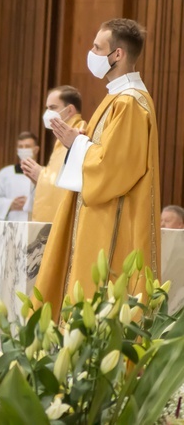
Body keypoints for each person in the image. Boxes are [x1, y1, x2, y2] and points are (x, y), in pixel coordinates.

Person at [34, 18, 161, 315]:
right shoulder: (116, 97)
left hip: (112, 219)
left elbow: (115, 169)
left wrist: (75, 145)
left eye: (96, 47)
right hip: (98, 215)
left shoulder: (129, 102)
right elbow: (105, 150)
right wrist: (81, 141)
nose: (90, 52)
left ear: (117, 54)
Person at [21, 86, 87, 223]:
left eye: (52, 108)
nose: (47, 113)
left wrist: (41, 176)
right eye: (47, 108)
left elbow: (75, 186)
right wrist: (38, 180)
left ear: (70, 110)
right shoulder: (60, 141)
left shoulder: (80, 135)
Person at [0, 132, 38, 221]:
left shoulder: (44, 174)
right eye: (21, 147)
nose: (23, 149)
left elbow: (49, 203)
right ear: (17, 150)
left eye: (27, 146)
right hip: (10, 227)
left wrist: (29, 203)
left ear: (36, 150)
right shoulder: (5, 174)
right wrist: (10, 204)